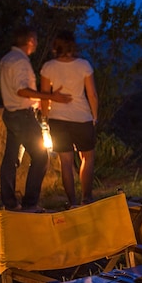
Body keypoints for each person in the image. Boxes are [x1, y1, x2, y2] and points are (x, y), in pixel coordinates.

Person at [0, 27, 71, 210]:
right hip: (22, 116)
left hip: (11, 113)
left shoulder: (7, 59)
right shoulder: (20, 62)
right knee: (40, 157)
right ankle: (30, 204)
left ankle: (9, 203)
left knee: (11, 159)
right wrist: (50, 97)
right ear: (30, 40)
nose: (37, 44)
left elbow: (16, 90)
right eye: (36, 40)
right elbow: (21, 89)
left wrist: (36, 101)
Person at [40, 31, 99, 207]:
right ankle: (86, 198)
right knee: (87, 158)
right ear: (72, 46)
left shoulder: (48, 67)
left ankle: (72, 201)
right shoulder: (83, 65)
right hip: (81, 117)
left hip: (58, 119)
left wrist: (45, 118)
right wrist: (94, 116)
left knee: (65, 161)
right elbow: (92, 94)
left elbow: (45, 96)